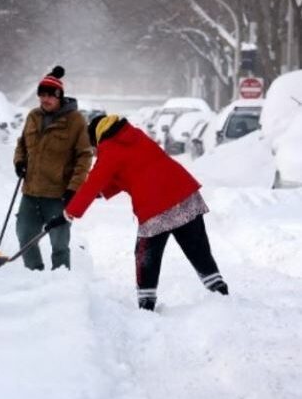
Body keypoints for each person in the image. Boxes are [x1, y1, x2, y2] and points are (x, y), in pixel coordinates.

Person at [44, 114, 229, 311]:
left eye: (93, 147)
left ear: (97, 138)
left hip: (156, 207)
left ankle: (146, 305)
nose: (95, 152)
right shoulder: (134, 135)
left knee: (146, 256)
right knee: (197, 249)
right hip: (185, 196)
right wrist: (98, 193)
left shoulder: (110, 149)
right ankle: (221, 294)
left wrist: (67, 213)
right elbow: (129, 172)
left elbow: (94, 182)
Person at [13, 66, 93, 270]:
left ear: (59, 97)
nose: (45, 100)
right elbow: (22, 144)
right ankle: (35, 275)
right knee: (24, 235)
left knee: (59, 244)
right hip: (31, 192)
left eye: (50, 96)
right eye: (41, 95)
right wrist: (19, 162)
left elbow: (84, 156)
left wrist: (73, 189)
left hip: (58, 195)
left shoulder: (75, 121)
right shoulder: (33, 116)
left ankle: (61, 284)